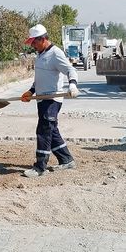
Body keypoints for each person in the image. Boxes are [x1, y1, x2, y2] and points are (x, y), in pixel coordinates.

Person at [21, 24, 80, 177]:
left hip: (52, 98)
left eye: (34, 42)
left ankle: (40, 167)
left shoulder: (55, 53)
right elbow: (40, 79)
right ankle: (67, 160)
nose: (33, 45)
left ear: (42, 39)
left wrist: (72, 85)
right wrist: (31, 91)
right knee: (51, 130)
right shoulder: (41, 55)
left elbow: (70, 70)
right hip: (42, 99)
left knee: (43, 130)